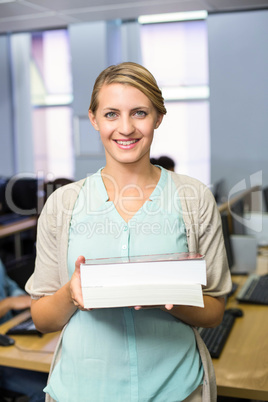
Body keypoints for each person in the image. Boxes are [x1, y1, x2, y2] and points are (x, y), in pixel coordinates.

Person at [25, 62, 232, 402]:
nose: (125, 128)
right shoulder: (64, 203)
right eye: (110, 114)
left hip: (176, 390)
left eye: (139, 112)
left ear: (158, 118)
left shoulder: (193, 198)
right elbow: (42, 318)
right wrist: (71, 294)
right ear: (93, 119)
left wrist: (168, 300)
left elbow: (214, 312)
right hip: (81, 391)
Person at [0, 259, 48, 401]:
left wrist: (23, 299)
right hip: (4, 363)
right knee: (46, 390)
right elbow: (10, 301)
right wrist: (9, 303)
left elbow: (9, 286)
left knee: (58, 376)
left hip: (11, 331)